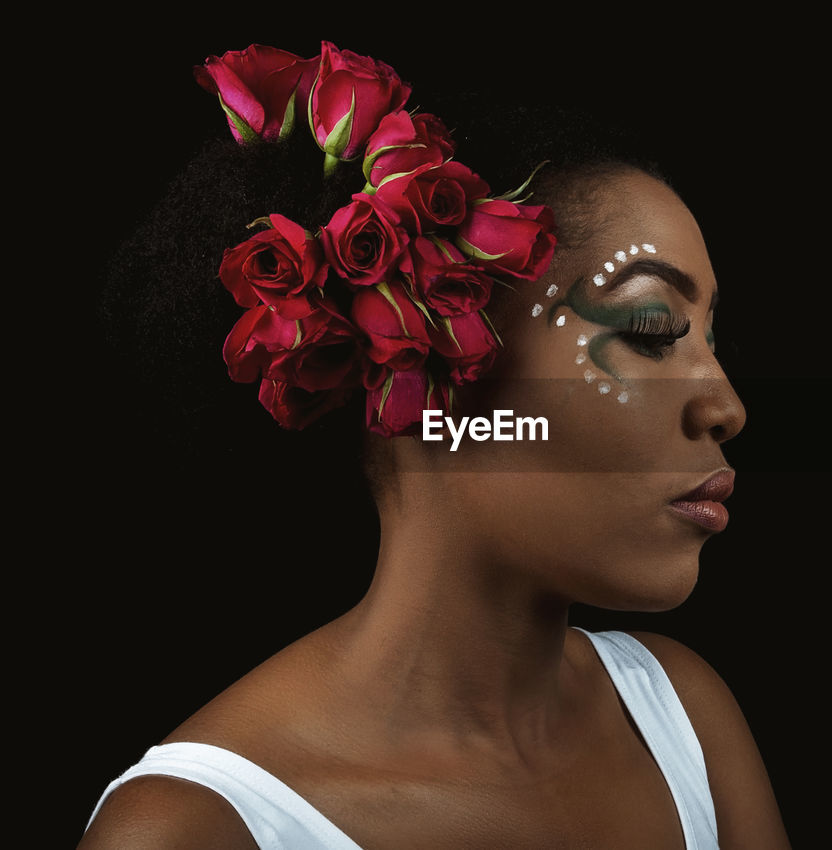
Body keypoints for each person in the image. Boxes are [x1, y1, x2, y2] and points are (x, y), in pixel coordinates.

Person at [78, 40, 789, 849]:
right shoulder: (200, 829)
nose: (725, 406)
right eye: (653, 330)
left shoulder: (681, 722)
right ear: (433, 353)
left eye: (712, 339)